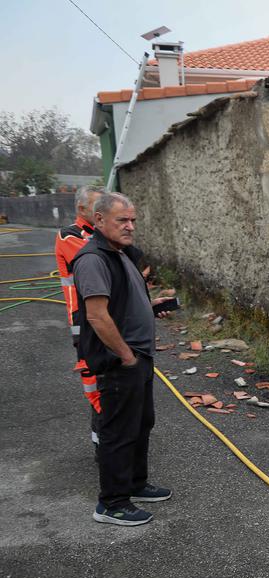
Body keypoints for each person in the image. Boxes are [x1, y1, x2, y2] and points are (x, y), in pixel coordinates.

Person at [72, 192, 173, 526]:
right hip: (120, 362)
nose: (130, 226)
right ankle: (112, 503)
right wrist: (126, 356)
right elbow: (97, 316)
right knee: (118, 431)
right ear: (99, 220)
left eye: (133, 220)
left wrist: (150, 306)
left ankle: (135, 484)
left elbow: (122, 300)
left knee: (141, 423)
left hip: (139, 357)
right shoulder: (93, 259)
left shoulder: (119, 253)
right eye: (122, 220)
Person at [55, 185, 104, 454]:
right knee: (95, 385)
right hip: (84, 322)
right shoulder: (70, 235)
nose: (102, 211)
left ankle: (113, 440)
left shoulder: (99, 234)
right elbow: (101, 260)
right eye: (97, 206)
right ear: (82, 208)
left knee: (112, 383)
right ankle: (102, 447)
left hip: (106, 317)